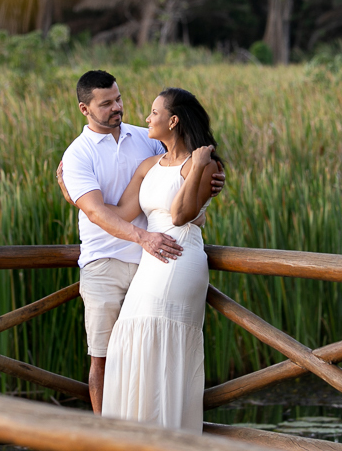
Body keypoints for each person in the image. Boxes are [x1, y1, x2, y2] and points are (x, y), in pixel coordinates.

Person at [57, 70, 224, 414]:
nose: (118, 107)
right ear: (84, 109)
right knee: (109, 354)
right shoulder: (78, 154)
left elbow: (180, 187)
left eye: (118, 98)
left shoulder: (145, 139)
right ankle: (113, 435)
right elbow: (101, 212)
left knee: (153, 346)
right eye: (106, 103)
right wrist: (72, 194)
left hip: (158, 258)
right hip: (107, 260)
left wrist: (207, 181)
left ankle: (162, 427)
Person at [95, 87, 221, 433]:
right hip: (153, 259)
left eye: (154, 112)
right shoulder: (149, 165)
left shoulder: (205, 163)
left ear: (173, 120)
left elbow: (181, 214)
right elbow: (121, 212)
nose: (148, 118)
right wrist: (72, 193)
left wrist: (197, 167)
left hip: (180, 258)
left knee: (159, 344)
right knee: (132, 340)